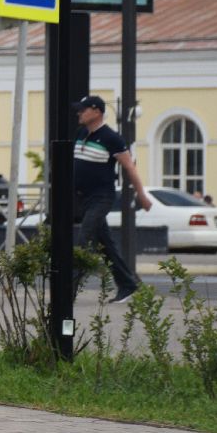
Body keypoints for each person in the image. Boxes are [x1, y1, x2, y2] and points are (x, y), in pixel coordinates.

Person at [71, 94, 151, 304]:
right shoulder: (81, 133)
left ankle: (68, 290)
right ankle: (128, 284)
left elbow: (129, 167)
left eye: (83, 109)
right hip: (83, 198)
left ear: (96, 111)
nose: (79, 113)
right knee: (105, 245)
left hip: (101, 197)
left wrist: (141, 194)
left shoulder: (111, 138)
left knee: (84, 239)